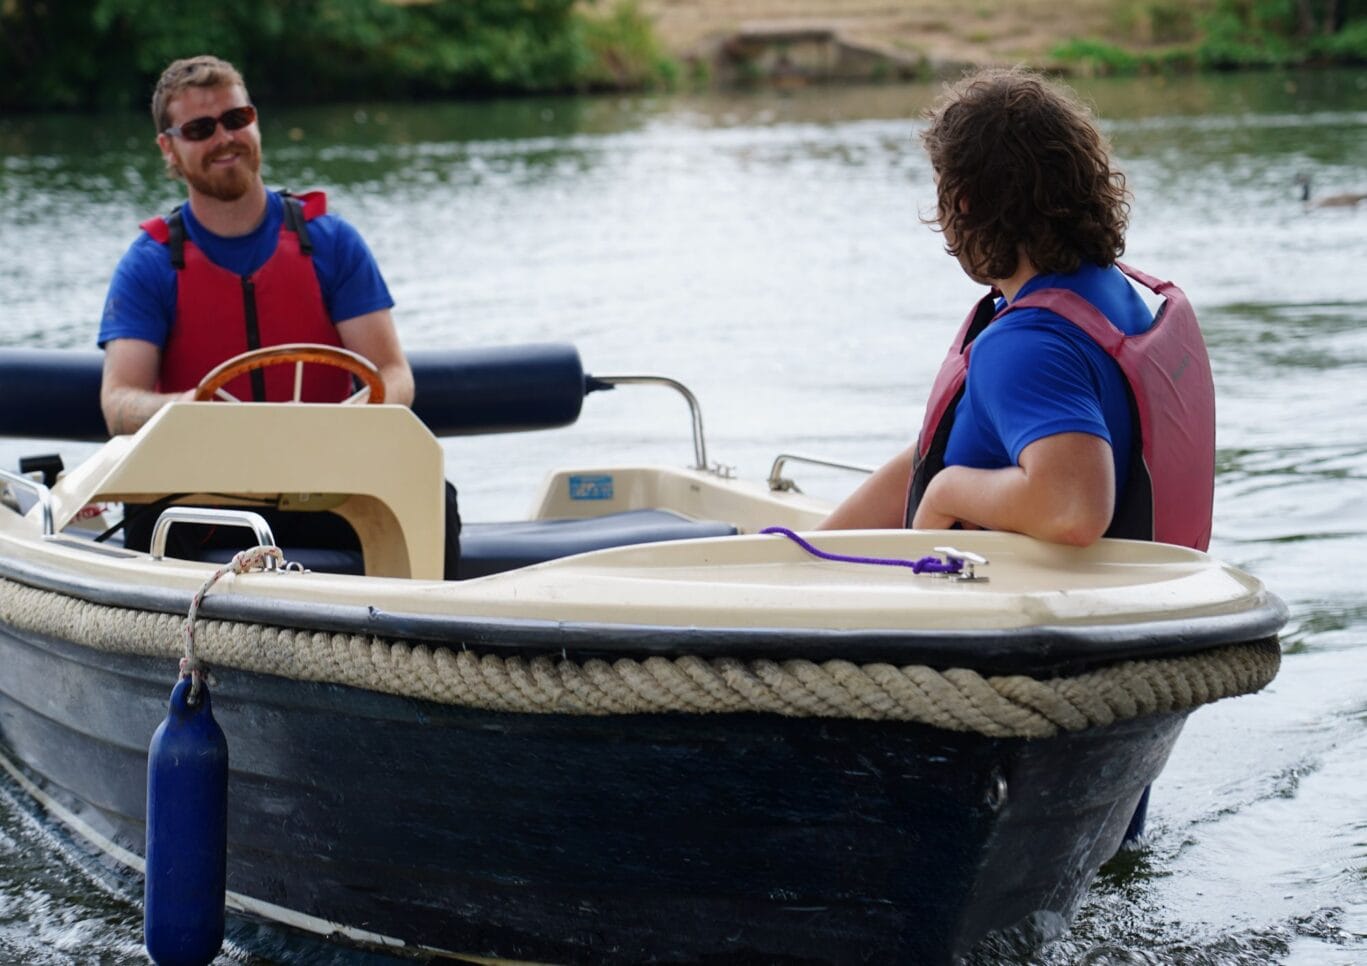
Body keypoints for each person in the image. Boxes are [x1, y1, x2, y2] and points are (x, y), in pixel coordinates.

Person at [819, 67, 1214, 553]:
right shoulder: (1108, 294)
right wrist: (806, 551)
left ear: (962, 202)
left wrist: (947, 493)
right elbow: (944, 449)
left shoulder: (1027, 344)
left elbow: (1074, 509)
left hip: (1040, 619)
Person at [97, 55, 459, 574]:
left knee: (433, 495)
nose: (224, 138)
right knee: (152, 521)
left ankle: (423, 642)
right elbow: (119, 401)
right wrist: (192, 407)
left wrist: (361, 411)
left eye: (236, 119)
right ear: (169, 149)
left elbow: (394, 373)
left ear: (255, 121)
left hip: (326, 486)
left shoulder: (332, 243)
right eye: (200, 128)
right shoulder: (148, 265)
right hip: (202, 494)